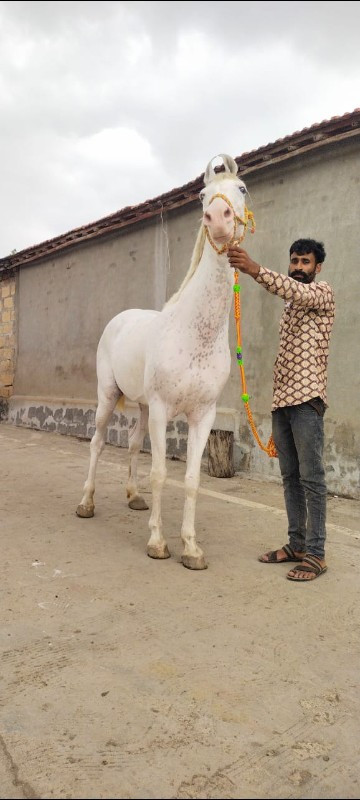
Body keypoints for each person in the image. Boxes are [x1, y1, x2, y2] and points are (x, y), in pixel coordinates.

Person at [227, 238, 335, 582]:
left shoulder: (322, 294)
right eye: (294, 261)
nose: (298, 267)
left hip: (307, 402)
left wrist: (254, 269)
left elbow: (292, 289)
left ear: (317, 267)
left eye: (305, 262)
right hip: (283, 403)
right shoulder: (290, 307)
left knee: (312, 479)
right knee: (290, 478)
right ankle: (297, 545)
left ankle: (316, 554)